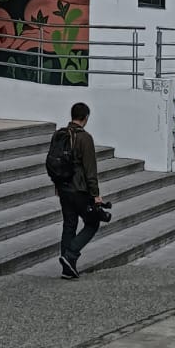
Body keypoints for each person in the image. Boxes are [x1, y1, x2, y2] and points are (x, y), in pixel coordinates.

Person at [53, 102, 104, 279]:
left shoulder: (60, 135)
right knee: (93, 223)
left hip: (63, 188)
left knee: (69, 224)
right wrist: (95, 194)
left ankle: (67, 267)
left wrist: (57, 185)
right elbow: (90, 170)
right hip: (79, 189)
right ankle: (71, 255)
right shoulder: (85, 138)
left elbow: (55, 163)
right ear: (86, 118)